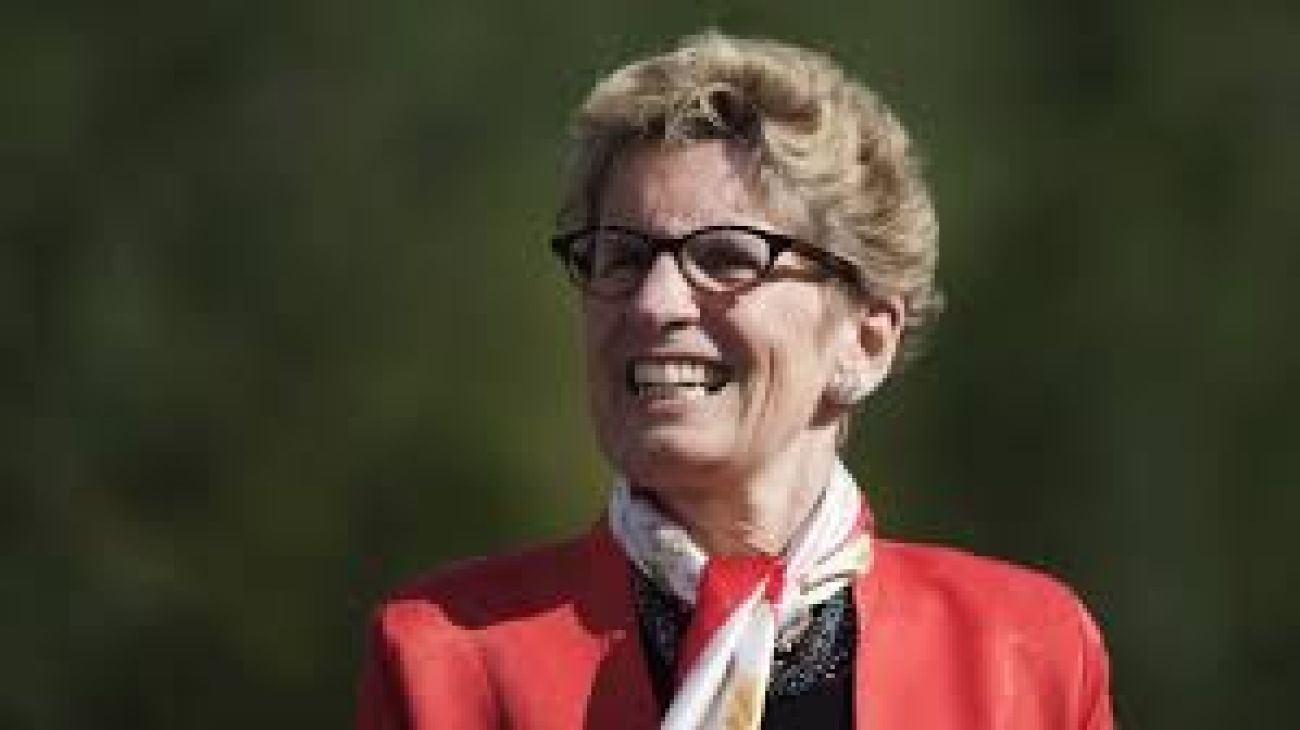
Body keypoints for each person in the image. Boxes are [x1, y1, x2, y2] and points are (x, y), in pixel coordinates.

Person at [355, 31, 1114, 729]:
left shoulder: (1027, 658)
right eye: (622, 257)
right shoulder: (443, 660)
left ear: (865, 339)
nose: (654, 304)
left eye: (725, 258)